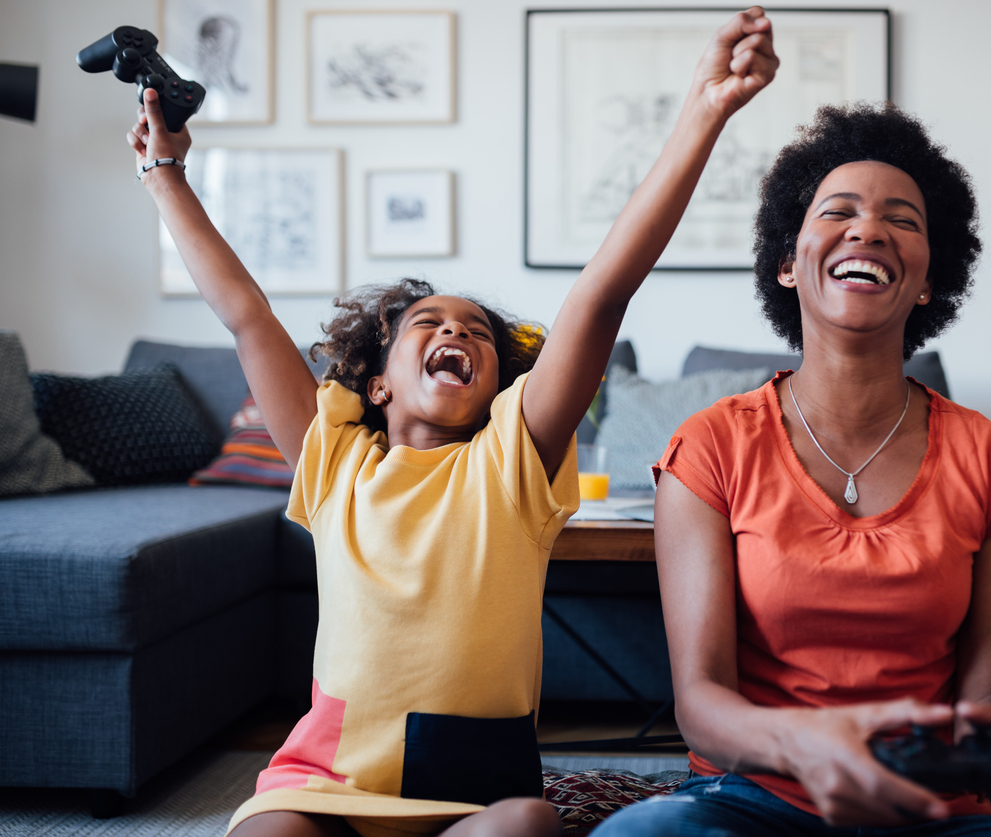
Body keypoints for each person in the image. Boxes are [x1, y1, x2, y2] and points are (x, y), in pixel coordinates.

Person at [123, 9, 778, 837]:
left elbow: (604, 290)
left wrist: (704, 109)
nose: (457, 333)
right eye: (427, 323)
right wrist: (166, 176)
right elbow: (250, 318)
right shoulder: (336, 464)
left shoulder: (513, 462)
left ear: (503, 383)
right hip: (326, 779)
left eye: (477, 331)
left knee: (529, 826)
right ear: (377, 382)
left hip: (473, 791)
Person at [593, 104, 991, 836]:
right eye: (839, 211)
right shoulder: (710, 448)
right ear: (788, 263)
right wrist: (802, 745)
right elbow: (700, 704)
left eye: (903, 219)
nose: (869, 229)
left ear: (928, 280)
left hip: (933, 809)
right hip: (752, 799)